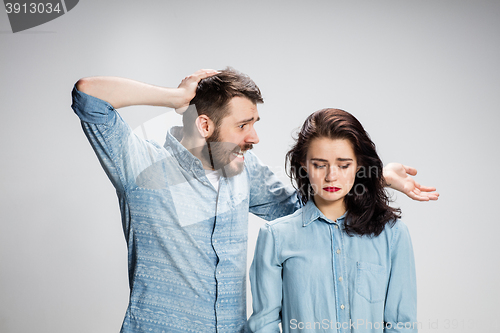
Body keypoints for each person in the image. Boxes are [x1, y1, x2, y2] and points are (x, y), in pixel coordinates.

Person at [72, 69, 437, 333]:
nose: (255, 137)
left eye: (255, 123)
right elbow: (89, 95)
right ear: (204, 126)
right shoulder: (140, 165)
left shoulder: (243, 172)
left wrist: (376, 176)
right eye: (244, 125)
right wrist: (175, 97)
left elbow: (309, 207)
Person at [248, 108, 420, 333]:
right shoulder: (276, 237)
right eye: (319, 164)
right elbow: (263, 326)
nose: (331, 176)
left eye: (344, 165)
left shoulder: (393, 234)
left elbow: (402, 326)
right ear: (303, 163)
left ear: (359, 165)